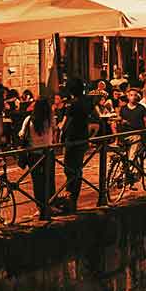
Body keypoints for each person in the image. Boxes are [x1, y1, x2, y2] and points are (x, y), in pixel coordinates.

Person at [54, 78, 92, 214]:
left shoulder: (72, 105)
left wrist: (61, 135)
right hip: (82, 137)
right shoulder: (86, 102)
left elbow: (67, 122)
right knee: (77, 168)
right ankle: (72, 198)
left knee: (70, 168)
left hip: (73, 139)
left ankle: (71, 197)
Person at [18, 96, 56, 221]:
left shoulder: (29, 120)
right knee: (49, 179)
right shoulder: (50, 120)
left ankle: (40, 207)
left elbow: (22, 135)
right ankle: (49, 204)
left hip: (34, 155)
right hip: (48, 153)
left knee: (37, 182)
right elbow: (54, 132)